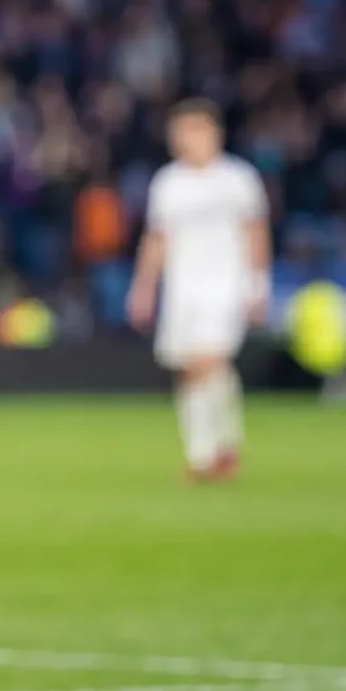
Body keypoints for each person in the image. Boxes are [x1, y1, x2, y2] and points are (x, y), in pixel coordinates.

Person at [127, 99, 271, 482]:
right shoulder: (169, 182)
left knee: (210, 360)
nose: (183, 139)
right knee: (190, 371)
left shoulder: (238, 180)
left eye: (191, 130)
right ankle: (219, 443)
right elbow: (156, 239)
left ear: (212, 133)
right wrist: (143, 288)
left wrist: (257, 284)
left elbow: (255, 232)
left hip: (226, 285)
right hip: (182, 289)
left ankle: (206, 455)